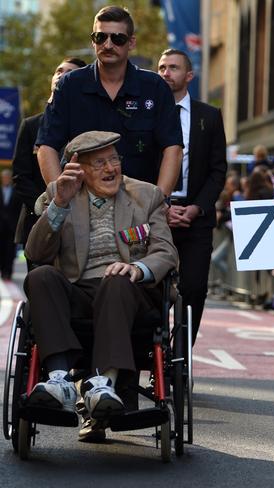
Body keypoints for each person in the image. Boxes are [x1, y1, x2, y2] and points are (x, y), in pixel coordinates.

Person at [23, 131, 177, 427]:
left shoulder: (146, 195)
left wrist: (138, 268)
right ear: (79, 169)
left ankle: (103, 385)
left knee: (116, 278)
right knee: (41, 276)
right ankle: (58, 380)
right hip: (79, 293)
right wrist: (59, 204)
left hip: (132, 293)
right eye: (100, 163)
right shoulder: (60, 193)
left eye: (114, 160)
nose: (111, 169)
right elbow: (36, 252)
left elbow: (166, 251)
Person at [36, 5, 183, 196]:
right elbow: (46, 146)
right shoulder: (69, 86)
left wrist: (159, 201)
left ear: (131, 43)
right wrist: (61, 197)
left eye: (117, 38)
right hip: (82, 204)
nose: (107, 44)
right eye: (100, 37)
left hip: (139, 206)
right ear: (93, 41)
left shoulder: (154, 87)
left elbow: (173, 148)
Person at [158, 48, 227, 344]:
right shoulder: (147, 113)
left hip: (195, 218)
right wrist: (161, 206)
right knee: (149, 285)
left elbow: (218, 170)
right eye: (161, 67)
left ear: (189, 75)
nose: (165, 73)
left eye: (173, 68)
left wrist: (197, 207)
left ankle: (181, 352)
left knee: (195, 288)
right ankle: (154, 349)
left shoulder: (209, 116)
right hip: (155, 214)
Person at [12, 58, 87, 266]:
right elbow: (20, 177)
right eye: (59, 71)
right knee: (39, 286)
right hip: (38, 222)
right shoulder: (31, 125)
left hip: (80, 226)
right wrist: (49, 206)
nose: (62, 75)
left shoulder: (87, 126)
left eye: (70, 72)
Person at [0, 169, 21, 280]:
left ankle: (8, 272)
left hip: (12, 227)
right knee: (1, 250)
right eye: (4, 177)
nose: (6, 179)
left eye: (8, 177)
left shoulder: (16, 192)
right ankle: (2, 270)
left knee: (10, 251)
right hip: (0, 227)